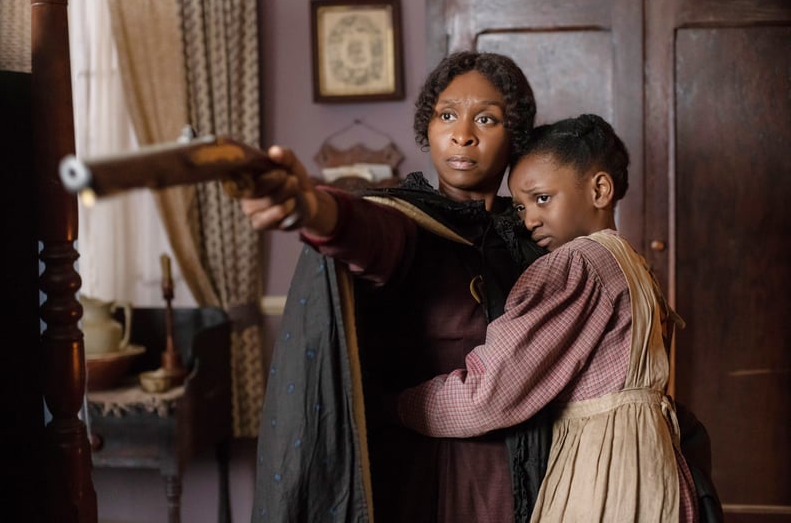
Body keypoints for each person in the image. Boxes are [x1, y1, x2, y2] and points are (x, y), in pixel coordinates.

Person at [240, 51, 552, 523]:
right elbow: (360, 230)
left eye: (485, 119)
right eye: (447, 115)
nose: (462, 134)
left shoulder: (532, 237)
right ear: (427, 128)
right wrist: (305, 206)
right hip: (421, 478)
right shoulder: (407, 224)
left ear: (516, 138)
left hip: (527, 471)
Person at [391, 113, 700, 522]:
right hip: (655, 468)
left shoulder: (577, 264)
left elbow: (490, 394)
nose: (529, 220)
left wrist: (399, 404)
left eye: (542, 199)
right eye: (519, 206)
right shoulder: (632, 264)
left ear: (600, 189)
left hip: (604, 472)